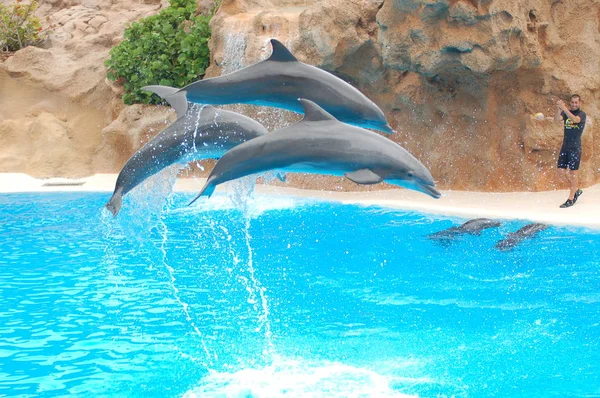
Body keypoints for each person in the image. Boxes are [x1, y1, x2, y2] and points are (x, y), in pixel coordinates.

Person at [554, 94, 586, 208]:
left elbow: (575, 120)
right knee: (560, 172)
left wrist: (564, 109)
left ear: (579, 103)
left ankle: (571, 198)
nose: (574, 104)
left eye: (576, 102)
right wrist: (559, 110)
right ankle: (576, 189)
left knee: (573, 173)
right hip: (565, 147)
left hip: (575, 148)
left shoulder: (582, 114)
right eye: (572, 102)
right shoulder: (565, 112)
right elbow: (556, 120)